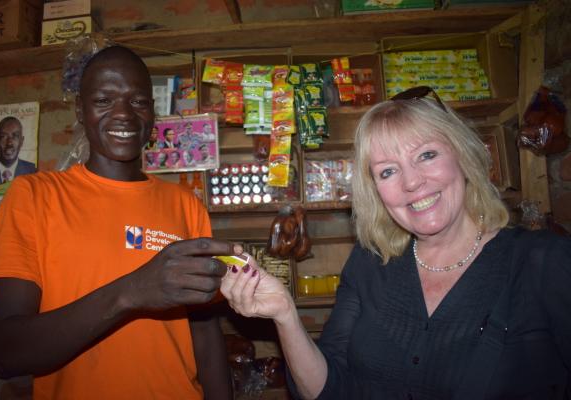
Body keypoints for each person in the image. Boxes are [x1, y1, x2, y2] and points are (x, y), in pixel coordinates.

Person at [221, 86, 571, 399]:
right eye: (388, 171)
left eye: (427, 155)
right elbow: (328, 389)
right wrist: (285, 315)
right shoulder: (369, 262)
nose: (412, 182)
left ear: (463, 158)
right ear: (376, 192)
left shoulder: (545, 262)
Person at [0, 45, 241, 400]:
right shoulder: (34, 197)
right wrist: (131, 291)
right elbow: (7, 354)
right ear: (80, 111)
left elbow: (205, 334)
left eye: (139, 101)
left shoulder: (185, 205)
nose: (124, 115)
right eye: (103, 100)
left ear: (154, 112)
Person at [0, 116, 36, 185]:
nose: (9, 142)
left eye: (15, 136)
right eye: (3, 136)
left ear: (22, 141)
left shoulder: (33, 171)